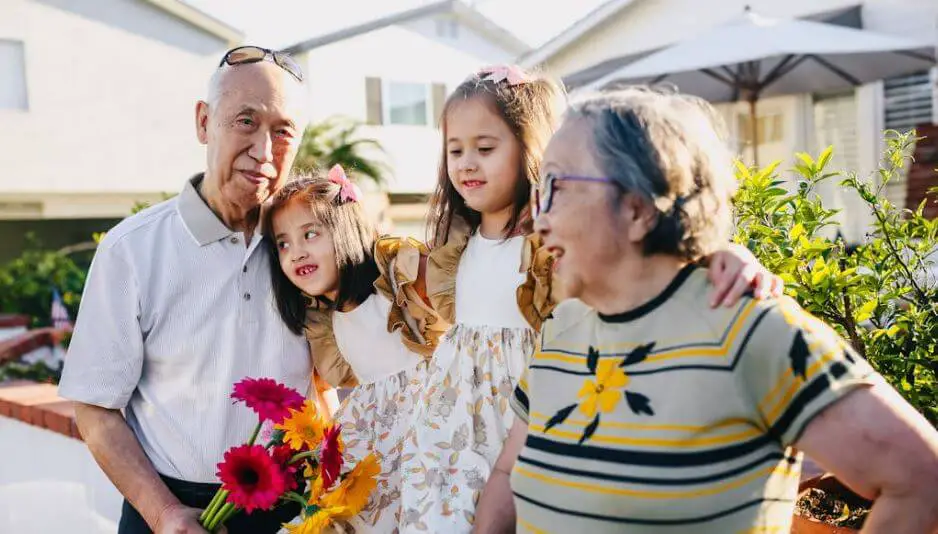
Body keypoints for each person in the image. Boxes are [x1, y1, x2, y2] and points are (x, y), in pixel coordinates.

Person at [473, 87, 938, 533]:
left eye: (557, 186)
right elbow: (508, 473)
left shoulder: (751, 329)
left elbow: (921, 481)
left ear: (638, 208)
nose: (539, 218)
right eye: (538, 192)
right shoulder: (561, 329)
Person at [401, 66, 784, 533]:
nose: (465, 163)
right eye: (454, 150)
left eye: (484, 149)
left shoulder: (554, 237)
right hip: (456, 421)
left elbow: (650, 254)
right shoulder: (453, 245)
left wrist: (728, 253)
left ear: (532, 150)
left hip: (529, 402)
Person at [58, 46, 333, 534]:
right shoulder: (132, 249)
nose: (264, 152)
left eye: (283, 131)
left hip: (296, 510)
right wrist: (164, 514)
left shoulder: (314, 250)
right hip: (169, 511)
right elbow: (95, 407)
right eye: (245, 121)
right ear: (204, 122)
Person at [262, 166, 449, 532]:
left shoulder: (396, 282)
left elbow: (455, 314)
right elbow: (325, 387)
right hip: (376, 446)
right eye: (283, 244)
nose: (296, 253)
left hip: (432, 429)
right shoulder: (324, 322)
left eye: (310, 234)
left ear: (345, 227)